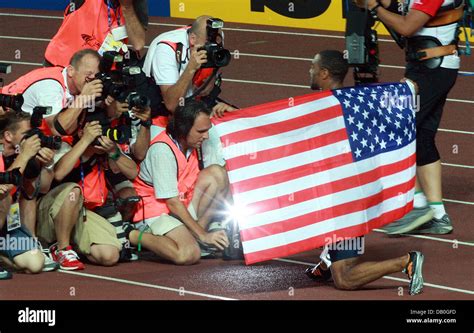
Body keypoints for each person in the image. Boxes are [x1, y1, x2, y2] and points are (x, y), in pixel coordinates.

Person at [304, 50, 424, 295]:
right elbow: (411, 94)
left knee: (345, 279)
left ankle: (406, 261)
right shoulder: (351, 101)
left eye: (313, 67)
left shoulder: (351, 102)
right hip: (336, 196)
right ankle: (328, 260)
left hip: (348, 201)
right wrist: (409, 89)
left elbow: (410, 96)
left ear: (324, 73)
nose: (310, 71)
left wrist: (407, 89)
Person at [353, 0, 458, 235]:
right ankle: (439, 216)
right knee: (422, 136)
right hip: (428, 66)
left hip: (432, 69)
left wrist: (374, 8)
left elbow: (407, 27)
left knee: (396, 128)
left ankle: (418, 206)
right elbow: (400, 6)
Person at [125, 100, 231, 265]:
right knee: (188, 254)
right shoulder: (162, 151)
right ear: (183, 129)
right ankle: (132, 235)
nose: (206, 136)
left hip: (181, 202)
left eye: (207, 130)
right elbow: (172, 202)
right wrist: (203, 234)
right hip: (157, 211)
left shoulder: (191, 143)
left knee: (219, 174)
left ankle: (194, 236)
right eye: (201, 131)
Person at [35, 119, 136, 270]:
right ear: (82, 133)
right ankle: (62, 249)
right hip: (49, 213)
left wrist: (114, 152)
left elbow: (133, 172)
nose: (101, 138)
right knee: (73, 191)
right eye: (95, 133)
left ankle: (72, 246)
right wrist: (86, 141)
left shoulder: (105, 154)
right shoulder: (65, 147)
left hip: (83, 215)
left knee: (109, 256)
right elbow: (59, 174)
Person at [143, 15, 236, 167]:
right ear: (192, 39)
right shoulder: (167, 48)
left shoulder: (216, 37)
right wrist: (191, 68)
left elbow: (206, 91)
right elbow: (172, 105)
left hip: (193, 106)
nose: (211, 46)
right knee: (167, 157)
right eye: (207, 44)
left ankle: (212, 175)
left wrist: (212, 63)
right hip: (161, 114)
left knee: (217, 146)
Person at [1, 49, 104, 136]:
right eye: (88, 74)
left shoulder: (72, 83)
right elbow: (56, 129)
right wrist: (83, 99)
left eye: (96, 75)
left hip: (21, 122)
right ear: (71, 71)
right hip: (5, 122)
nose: (92, 79)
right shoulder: (51, 87)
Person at [0, 111, 52, 278]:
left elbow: (41, 188)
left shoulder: (21, 154)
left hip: (7, 225)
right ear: (8, 135)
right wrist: (24, 155)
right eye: (26, 135)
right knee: (4, 196)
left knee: (35, 263)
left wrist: (44, 165)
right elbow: (5, 187)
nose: (31, 140)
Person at [44, 0, 148, 68]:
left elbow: (138, 43)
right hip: (61, 65)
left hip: (97, 72)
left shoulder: (136, 3)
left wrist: (127, 7)